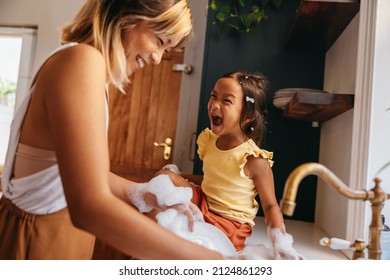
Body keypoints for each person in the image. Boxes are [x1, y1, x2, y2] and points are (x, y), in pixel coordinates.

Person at [0, 0, 223, 260]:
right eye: (160, 40)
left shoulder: (84, 65)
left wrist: (140, 193)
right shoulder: (81, 61)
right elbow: (89, 207)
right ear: (128, 15)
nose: (157, 58)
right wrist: (210, 261)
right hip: (37, 242)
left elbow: (73, 171)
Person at [158, 71, 302, 259]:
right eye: (213, 96)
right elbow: (213, 181)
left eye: (226, 101)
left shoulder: (254, 159)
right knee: (164, 176)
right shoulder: (210, 141)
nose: (214, 105)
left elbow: (271, 207)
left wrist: (281, 243)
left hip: (228, 225)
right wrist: (179, 175)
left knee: (171, 225)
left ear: (247, 116)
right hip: (205, 204)